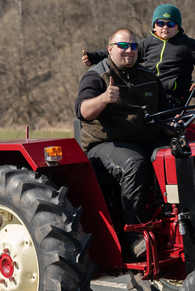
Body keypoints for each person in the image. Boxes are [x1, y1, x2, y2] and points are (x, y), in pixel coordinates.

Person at [75, 28, 172, 258]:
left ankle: (174, 220)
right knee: (134, 164)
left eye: (133, 46)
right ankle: (135, 237)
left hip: (145, 139)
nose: (129, 50)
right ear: (110, 49)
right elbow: (83, 111)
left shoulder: (148, 76)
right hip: (106, 144)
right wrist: (104, 98)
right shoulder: (96, 75)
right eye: (123, 46)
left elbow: (166, 113)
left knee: (180, 154)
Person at [82, 4, 195, 107]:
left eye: (171, 24)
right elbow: (121, 52)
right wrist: (94, 57)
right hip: (149, 91)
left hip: (175, 96)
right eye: (160, 23)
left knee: (160, 116)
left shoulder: (187, 44)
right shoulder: (147, 43)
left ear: (178, 26)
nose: (165, 27)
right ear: (154, 26)